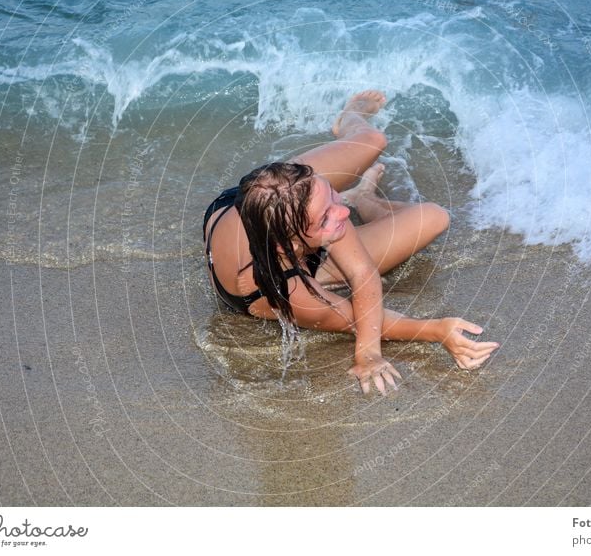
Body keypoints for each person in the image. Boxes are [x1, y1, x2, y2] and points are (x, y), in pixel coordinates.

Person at [203, 90, 499, 394]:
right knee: (432, 217)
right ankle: (365, 198)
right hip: (289, 265)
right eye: (327, 217)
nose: (342, 212)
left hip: (271, 198)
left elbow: (362, 272)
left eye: (333, 195)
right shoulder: (287, 291)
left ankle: (348, 121)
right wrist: (430, 332)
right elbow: (356, 317)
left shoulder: (291, 195)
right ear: (289, 246)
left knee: (373, 141)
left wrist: (324, 207)